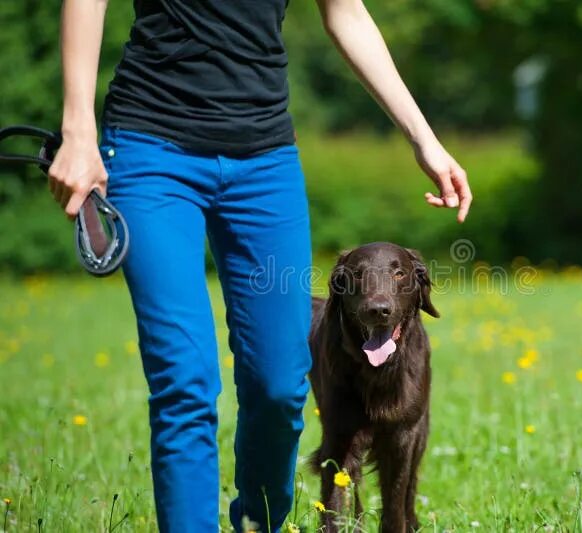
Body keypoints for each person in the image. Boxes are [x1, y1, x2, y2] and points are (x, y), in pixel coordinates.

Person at [49, 0, 472, 531]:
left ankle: (259, 522)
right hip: (150, 148)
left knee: (280, 383)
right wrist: (78, 130)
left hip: (264, 160)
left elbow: (346, 13)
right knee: (185, 379)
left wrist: (424, 139)